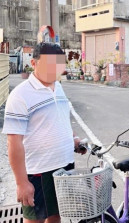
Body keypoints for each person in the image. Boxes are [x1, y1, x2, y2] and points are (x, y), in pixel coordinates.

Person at [2, 42, 86, 223]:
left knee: (55, 216)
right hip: (38, 171)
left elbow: (60, 120)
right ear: (34, 64)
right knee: (35, 220)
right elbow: (13, 142)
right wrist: (21, 183)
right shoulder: (20, 95)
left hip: (63, 167)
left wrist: (74, 140)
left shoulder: (58, 87)